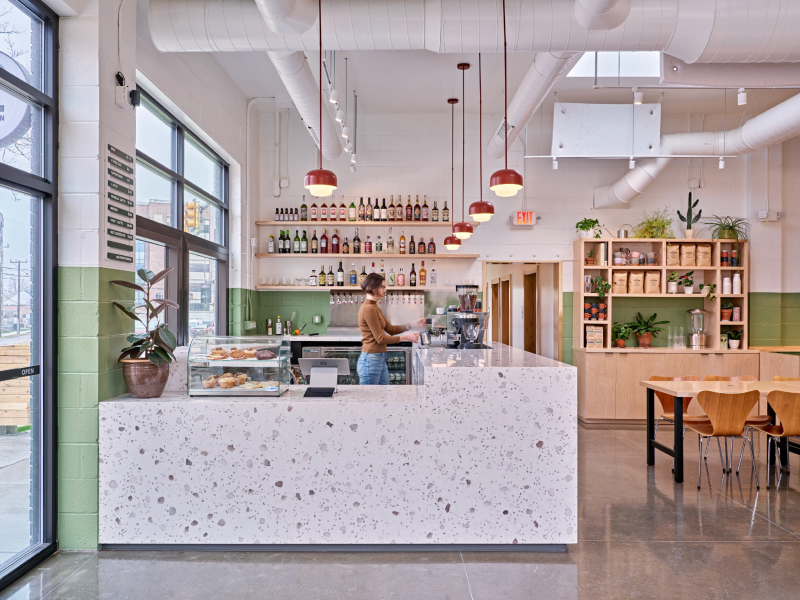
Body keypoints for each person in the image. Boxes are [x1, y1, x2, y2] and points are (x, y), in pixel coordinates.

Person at [357, 273, 423, 385]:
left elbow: (391, 329)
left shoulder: (374, 307)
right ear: (373, 287)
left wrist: (412, 324)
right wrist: (407, 337)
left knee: (384, 396)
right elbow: (380, 339)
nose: (385, 290)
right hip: (371, 360)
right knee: (369, 399)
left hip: (379, 359)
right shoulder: (369, 309)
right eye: (382, 287)